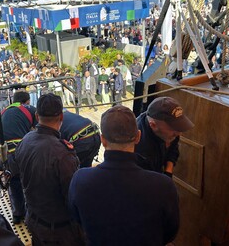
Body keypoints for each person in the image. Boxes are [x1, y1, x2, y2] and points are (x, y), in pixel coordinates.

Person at [68, 105, 179, 246]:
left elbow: (76, 218)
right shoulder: (163, 185)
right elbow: (170, 232)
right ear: (138, 137)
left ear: (103, 140)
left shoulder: (80, 179)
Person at [15, 93, 84, 246]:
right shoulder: (62, 154)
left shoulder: (25, 141)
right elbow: (72, 199)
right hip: (60, 233)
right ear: (61, 117)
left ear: (37, 115)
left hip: (34, 222)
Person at [0, 91, 37, 224]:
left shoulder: (4, 111)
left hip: (2, 153)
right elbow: (39, 130)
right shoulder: (29, 109)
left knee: (13, 180)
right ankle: (33, 214)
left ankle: (18, 215)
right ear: (27, 101)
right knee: (30, 180)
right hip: (20, 151)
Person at [135, 96, 194, 176]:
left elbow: (173, 149)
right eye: (174, 128)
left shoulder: (171, 131)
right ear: (153, 125)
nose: (179, 133)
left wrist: (168, 172)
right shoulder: (140, 148)